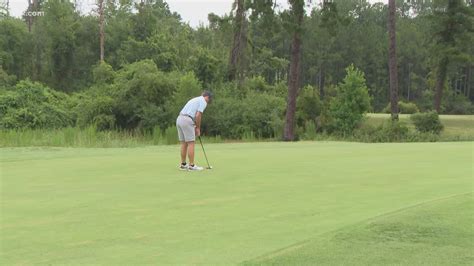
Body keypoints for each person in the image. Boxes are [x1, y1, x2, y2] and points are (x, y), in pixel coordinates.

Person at [176, 91, 213, 171]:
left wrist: (195, 126)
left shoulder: (195, 99)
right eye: (209, 99)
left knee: (184, 143)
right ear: (207, 97)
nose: (209, 101)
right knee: (191, 143)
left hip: (179, 119)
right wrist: (198, 128)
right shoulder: (203, 101)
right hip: (187, 120)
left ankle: (183, 164)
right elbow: (198, 115)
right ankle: (192, 165)